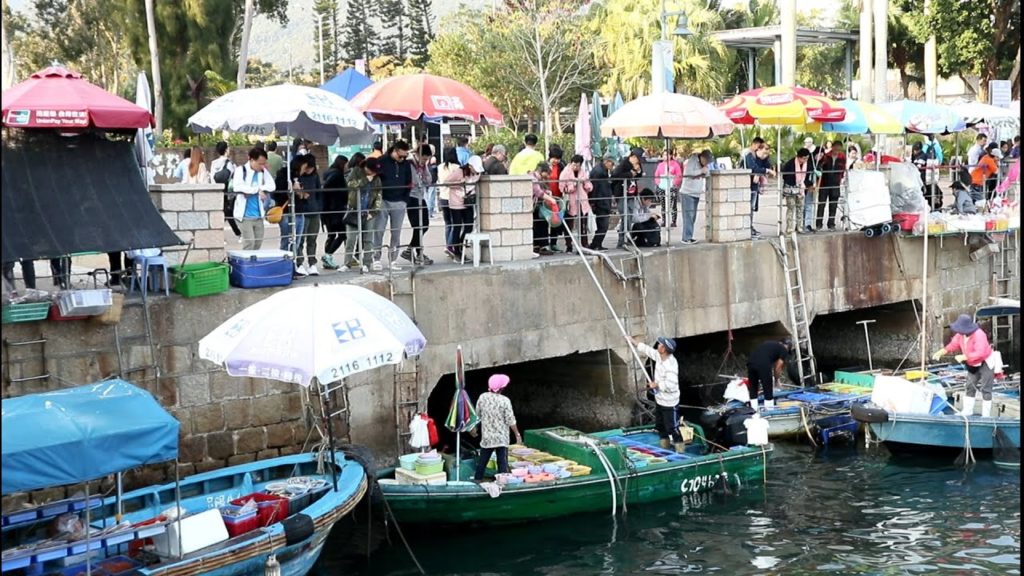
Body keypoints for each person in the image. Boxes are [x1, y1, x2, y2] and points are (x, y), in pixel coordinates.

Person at [932, 314, 995, 417]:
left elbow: (981, 352)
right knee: (970, 386)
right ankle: (967, 411)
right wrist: (941, 352)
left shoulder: (979, 335)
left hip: (986, 362)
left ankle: (986, 415)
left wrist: (964, 357)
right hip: (972, 363)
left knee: (986, 388)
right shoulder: (960, 335)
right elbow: (953, 345)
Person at [633, 335, 683, 452]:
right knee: (660, 426)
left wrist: (657, 385)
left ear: (664, 349)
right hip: (659, 399)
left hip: (670, 402)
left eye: (660, 344)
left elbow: (671, 384)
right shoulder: (660, 356)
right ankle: (664, 446)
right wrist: (634, 342)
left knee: (672, 428)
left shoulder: (671, 365)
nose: (658, 345)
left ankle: (680, 449)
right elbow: (649, 351)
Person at [472, 374, 522, 482]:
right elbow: (510, 420)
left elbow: (477, 415)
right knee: (502, 462)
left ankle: (477, 480)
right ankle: (502, 483)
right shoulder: (505, 400)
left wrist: (474, 428)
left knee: (482, 461)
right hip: (501, 438)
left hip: (487, 437)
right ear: (502, 388)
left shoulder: (482, 397)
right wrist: (517, 434)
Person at [377, 141, 413, 268]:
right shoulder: (381, 161)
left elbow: (409, 181)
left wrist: (405, 199)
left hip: (399, 201)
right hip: (383, 200)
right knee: (379, 230)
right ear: (395, 150)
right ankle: (376, 259)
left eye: (405, 156)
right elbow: (375, 178)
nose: (402, 159)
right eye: (400, 156)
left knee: (396, 233)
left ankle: (393, 259)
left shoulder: (406, 164)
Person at [344, 156, 383, 272]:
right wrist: (366, 180)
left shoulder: (377, 178)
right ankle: (347, 263)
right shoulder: (355, 171)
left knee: (368, 239)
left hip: (369, 211)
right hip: (353, 210)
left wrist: (374, 211)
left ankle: (367, 263)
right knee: (351, 238)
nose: (374, 173)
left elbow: (379, 195)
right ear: (366, 167)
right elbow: (350, 184)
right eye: (372, 170)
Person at [232, 147, 275, 250]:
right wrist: (256, 190)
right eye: (260, 163)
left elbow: (272, 186)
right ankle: (247, 265)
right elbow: (237, 187)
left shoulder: (262, 172)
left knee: (257, 244)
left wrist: (258, 189)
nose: (262, 166)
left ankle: (253, 264)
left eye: (264, 163)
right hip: (244, 215)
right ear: (251, 160)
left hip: (258, 214)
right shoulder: (240, 170)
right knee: (249, 243)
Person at [444, 155, 483, 260]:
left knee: (469, 226)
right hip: (456, 202)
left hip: (468, 202)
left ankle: (460, 244)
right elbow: (446, 182)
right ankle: (456, 250)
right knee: (457, 226)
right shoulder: (459, 171)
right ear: (470, 166)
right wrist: (459, 184)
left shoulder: (478, 173)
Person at [403, 144, 435, 265]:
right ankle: (417, 253)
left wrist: (424, 168)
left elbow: (429, 180)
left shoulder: (423, 166)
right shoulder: (409, 164)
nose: (424, 161)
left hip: (421, 196)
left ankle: (411, 250)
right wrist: (418, 171)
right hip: (411, 197)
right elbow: (414, 181)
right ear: (417, 155)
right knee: (418, 225)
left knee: (424, 224)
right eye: (423, 158)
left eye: (427, 159)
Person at [293, 155, 323, 276]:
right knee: (300, 240)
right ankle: (299, 263)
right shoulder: (297, 177)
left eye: (310, 168)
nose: (308, 170)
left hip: (314, 211)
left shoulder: (315, 176)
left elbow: (319, 193)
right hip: (303, 212)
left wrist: (320, 208)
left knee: (312, 239)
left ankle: (312, 263)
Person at [740, 138, 774, 238]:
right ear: (755, 145)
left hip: (754, 186)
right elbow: (754, 168)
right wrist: (764, 171)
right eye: (759, 147)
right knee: (747, 208)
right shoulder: (748, 155)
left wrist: (765, 157)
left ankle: (749, 227)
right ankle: (746, 228)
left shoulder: (759, 157)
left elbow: (765, 165)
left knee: (751, 207)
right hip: (746, 185)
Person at [746, 338, 793, 411]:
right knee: (767, 388)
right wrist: (777, 380)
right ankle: (769, 411)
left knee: (753, 388)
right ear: (787, 347)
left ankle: (753, 411)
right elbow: (778, 366)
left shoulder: (768, 343)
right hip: (763, 364)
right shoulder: (783, 349)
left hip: (751, 362)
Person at [320, 155, 349, 270]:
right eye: (346, 164)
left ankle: (327, 258)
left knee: (331, 234)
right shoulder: (337, 174)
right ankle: (328, 255)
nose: (347, 167)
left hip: (327, 209)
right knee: (342, 234)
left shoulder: (328, 172)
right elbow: (326, 188)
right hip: (335, 209)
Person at [559, 154, 592, 252]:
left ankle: (584, 244)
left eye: (577, 165)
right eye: (574, 165)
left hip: (582, 201)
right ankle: (569, 245)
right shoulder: (565, 173)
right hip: (571, 201)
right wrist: (572, 186)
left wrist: (587, 186)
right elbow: (561, 188)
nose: (575, 167)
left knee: (583, 223)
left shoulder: (582, 172)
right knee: (569, 224)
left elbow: (588, 183)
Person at [612, 151, 644, 249]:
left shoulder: (637, 165)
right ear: (633, 157)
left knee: (629, 216)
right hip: (622, 194)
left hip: (631, 194)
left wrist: (638, 172)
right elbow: (615, 177)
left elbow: (638, 176)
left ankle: (627, 237)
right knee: (625, 216)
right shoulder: (623, 165)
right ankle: (622, 240)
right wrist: (630, 173)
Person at [680, 149, 711, 244]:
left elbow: (707, 174)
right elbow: (688, 173)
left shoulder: (704, 165)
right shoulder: (692, 161)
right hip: (687, 193)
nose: (706, 163)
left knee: (692, 216)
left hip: (696, 193)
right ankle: (686, 238)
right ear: (702, 157)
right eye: (706, 161)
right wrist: (701, 170)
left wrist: (706, 171)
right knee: (688, 216)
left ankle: (689, 236)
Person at [210, 141, 240, 238]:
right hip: (226, 192)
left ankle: (219, 234)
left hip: (215, 192)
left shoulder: (213, 163)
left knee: (223, 213)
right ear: (226, 150)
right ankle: (237, 234)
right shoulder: (230, 164)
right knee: (227, 213)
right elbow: (234, 178)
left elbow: (212, 179)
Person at [782, 148, 813, 235]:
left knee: (800, 208)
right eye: (804, 158)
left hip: (801, 189)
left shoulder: (808, 165)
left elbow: (807, 177)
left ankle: (799, 227)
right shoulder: (790, 164)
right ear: (799, 157)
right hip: (790, 188)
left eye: (807, 158)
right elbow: (785, 175)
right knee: (791, 208)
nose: (805, 160)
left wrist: (806, 184)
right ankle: (789, 228)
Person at [588, 154, 616, 251]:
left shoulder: (603, 171)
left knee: (603, 225)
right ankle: (595, 244)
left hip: (603, 200)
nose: (612, 166)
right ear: (606, 161)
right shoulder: (598, 172)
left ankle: (597, 243)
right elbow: (594, 188)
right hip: (600, 201)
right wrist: (593, 202)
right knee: (603, 225)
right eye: (611, 163)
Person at [816, 141, 845, 231]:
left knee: (833, 205)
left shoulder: (842, 157)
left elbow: (843, 169)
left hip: (835, 184)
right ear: (832, 147)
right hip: (824, 183)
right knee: (821, 204)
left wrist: (841, 179)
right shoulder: (825, 156)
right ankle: (818, 224)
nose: (837, 150)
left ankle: (831, 224)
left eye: (838, 149)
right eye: (835, 148)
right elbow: (819, 166)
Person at [437, 148, 461, 257]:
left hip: (442, 197)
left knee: (447, 224)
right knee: (455, 223)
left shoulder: (440, 167)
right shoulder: (456, 167)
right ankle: (450, 246)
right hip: (453, 198)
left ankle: (448, 245)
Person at [531, 162, 556, 255]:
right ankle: (537, 246)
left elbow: (541, 191)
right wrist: (551, 200)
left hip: (535, 205)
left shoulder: (537, 179)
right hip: (530, 206)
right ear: (542, 171)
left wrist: (547, 192)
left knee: (539, 224)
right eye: (548, 173)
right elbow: (538, 192)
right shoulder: (533, 178)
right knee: (536, 225)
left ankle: (539, 246)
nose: (549, 176)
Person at [654, 149, 683, 227]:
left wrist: (674, 183)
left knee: (673, 204)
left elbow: (679, 175)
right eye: (664, 155)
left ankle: (673, 221)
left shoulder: (675, 164)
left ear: (670, 155)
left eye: (667, 154)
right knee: (663, 204)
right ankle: (664, 220)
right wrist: (658, 183)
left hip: (672, 185)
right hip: (662, 186)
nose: (665, 156)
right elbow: (656, 175)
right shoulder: (660, 165)